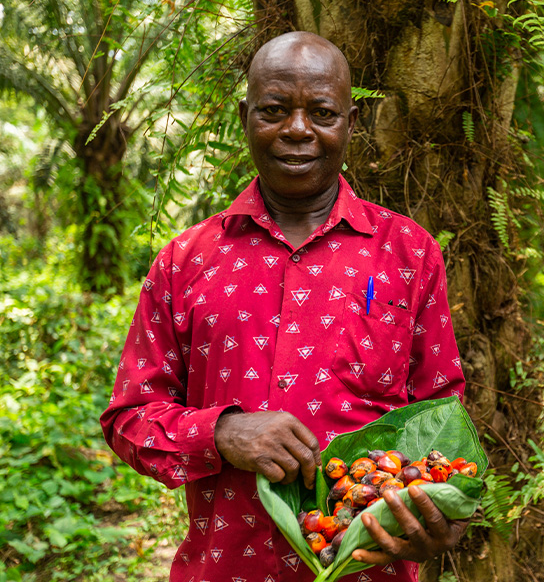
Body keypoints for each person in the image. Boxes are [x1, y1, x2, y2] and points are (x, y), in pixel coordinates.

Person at [101, 31, 467, 582]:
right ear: (246, 117)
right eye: (274, 110)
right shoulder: (185, 259)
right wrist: (222, 434)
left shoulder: (409, 251)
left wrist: (446, 515)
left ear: (350, 122)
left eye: (321, 112)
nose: (298, 130)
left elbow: (444, 425)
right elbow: (129, 418)